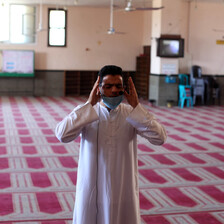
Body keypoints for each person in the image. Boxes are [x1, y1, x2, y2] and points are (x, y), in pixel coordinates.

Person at [55, 65, 167, 224]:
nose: (114, 90)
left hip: (122, 187)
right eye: (108, 86)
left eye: (118, 86)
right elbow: (62, 135)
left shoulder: (131, 113)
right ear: (98, 88)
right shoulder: (87, 112)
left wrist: (137, 107)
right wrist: (89, 104)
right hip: (91, 189)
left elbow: (160, 138)